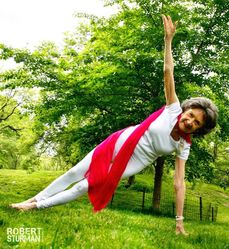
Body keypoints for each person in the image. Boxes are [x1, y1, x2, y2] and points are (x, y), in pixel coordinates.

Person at [10, 15, 218, 235]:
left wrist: (179, 220)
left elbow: (179, 183)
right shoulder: (172, 108)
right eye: (191, 115)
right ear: (186, 109)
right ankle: (33, 198)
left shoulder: (183, 146)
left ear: (198, 130)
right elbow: (168, 72)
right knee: (75, 172)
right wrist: (168, 41)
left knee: (85, 185)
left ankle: (34, 207)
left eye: (196, 123)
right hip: (119, 142)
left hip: (134, 162)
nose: (190, 121)